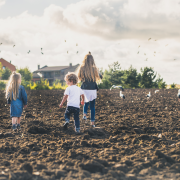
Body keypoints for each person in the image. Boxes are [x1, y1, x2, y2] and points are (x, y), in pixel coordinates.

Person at [77, 52, 102, 127]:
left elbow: (79, 77)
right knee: (92, 106)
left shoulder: (81, 68)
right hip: (93, 88)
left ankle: (84, 115)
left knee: (85, 102)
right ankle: (92, 123)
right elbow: (100, 77)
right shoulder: (95, 69)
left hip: (84, 88)